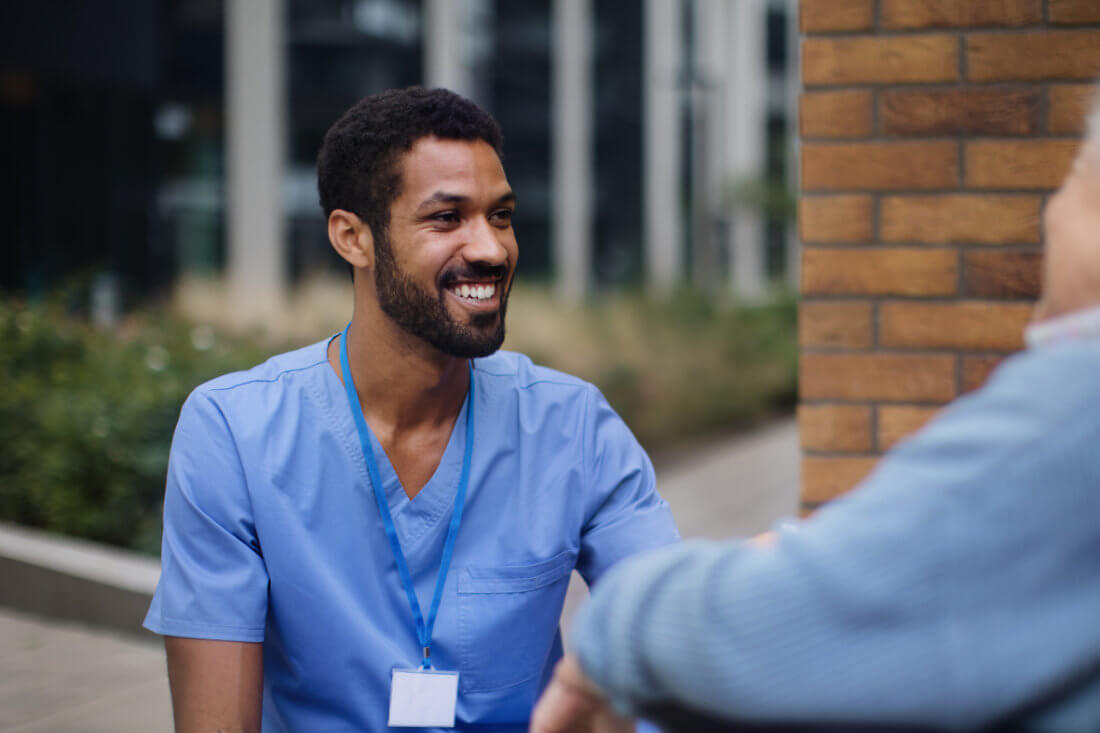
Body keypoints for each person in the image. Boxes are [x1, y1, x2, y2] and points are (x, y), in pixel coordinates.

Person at [531, 95, 1100, 732]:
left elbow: (787, 621)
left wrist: (616, 635)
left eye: (1072, 179)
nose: (1050, 213)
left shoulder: (1079, 405)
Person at [143, 86, 679, 732]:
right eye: (447, 218)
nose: (491, 248)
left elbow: (671, 641)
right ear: (353, 238)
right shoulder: (233, 432)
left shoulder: (574, 428)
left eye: (501, 215)